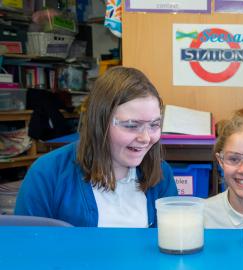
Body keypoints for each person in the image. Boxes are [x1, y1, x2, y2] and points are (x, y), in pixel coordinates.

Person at [15, 66, 178, 227]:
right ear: (99, 123)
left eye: (154, 125)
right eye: (131, 125)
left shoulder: (161, 174)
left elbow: (170, 242)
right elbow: (25, 247)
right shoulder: (47, 173)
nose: (145, 138)